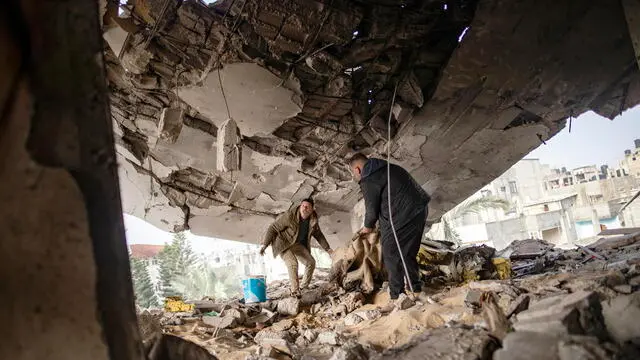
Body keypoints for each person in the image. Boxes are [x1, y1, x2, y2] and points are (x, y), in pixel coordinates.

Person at [348, 153, 430, 301]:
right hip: (420, 209)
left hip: (403, 215)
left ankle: (397, 296)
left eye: (353, 172)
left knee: (391, 253)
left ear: (358, 169)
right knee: (407, 252)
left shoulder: (369, 178)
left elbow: (371, 210)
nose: (354, 176)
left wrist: (367, 228)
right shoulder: (389, 167)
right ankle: (415, 287)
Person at [259, 198, 333, 296]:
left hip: (297, 244)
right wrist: (265, 245)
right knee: (293, 263)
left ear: (312, 209)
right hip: (283, 244)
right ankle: (295, 291)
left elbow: (318, 235)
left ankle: (304, 287)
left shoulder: (313, 220)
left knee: (311, 262)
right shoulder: (290, 216)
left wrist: (328, 249)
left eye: (307, 207)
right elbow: (273, 228)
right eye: (303, 206)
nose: (304, 208)